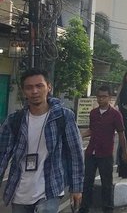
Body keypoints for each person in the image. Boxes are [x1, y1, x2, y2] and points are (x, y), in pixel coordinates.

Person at [0, 68, 84, 212]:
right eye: (29, 87)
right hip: (19, 191)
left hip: (50, 189)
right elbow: (2, 155)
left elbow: (75, 153)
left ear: (49, 87)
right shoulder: (14, 120)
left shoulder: (63, 116)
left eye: (39, 86)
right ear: (23, 91)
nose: (34, 91)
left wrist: (76, 188)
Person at [79, 85, 127, 213]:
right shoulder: (93, 113)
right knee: (87, 182)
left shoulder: (115, 114)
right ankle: (84, 208)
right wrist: (80, 135)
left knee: (107, 183)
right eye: (99, 97)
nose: (101, 99)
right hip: (91, 152)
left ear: (109, 98)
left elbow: (121, 134)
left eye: (104, 97)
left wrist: (124, 153)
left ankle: (108, 209)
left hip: (105, 153)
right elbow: (91, 130)